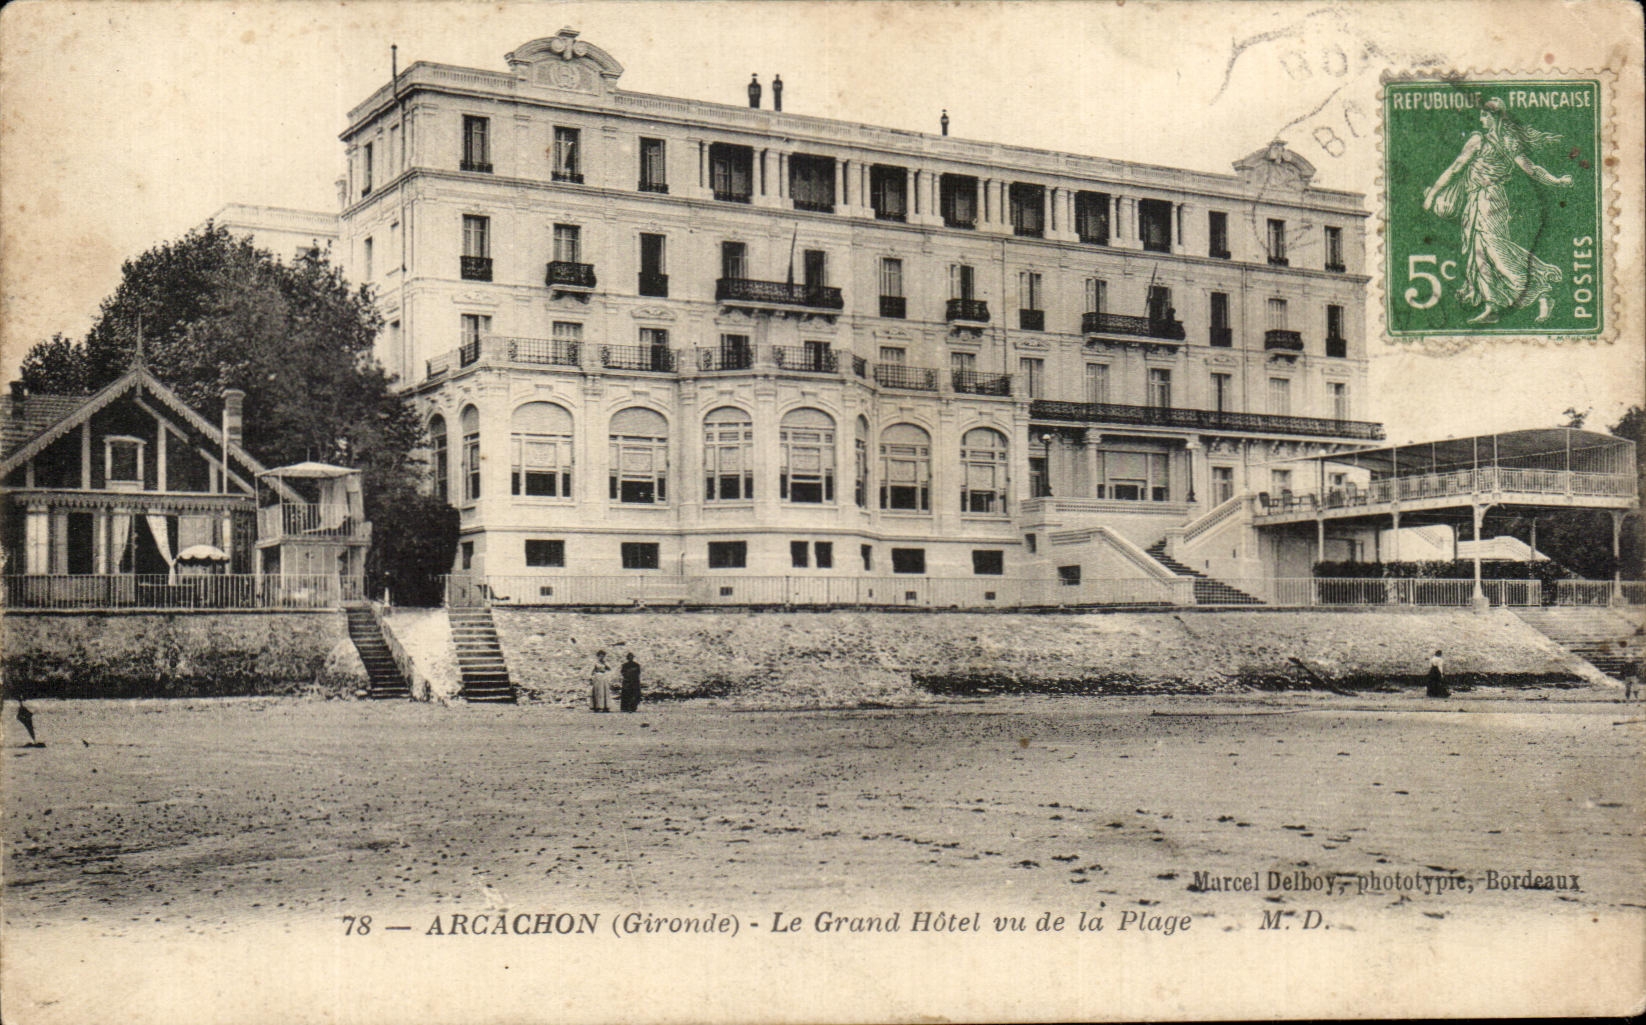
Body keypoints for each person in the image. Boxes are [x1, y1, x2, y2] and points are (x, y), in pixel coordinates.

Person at [1422, 96, 1573, 324]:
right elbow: (1455, 168)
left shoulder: (1499, 142)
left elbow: (1530, 168)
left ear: (1495, 117)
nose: (1481, 119)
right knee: (1478, 252)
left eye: (1485, 115)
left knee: (1495, 251)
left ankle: (1542, 291)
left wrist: (1556, 181)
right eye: (1481, 114)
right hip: (1475, 200)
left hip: (1491, 200)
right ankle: (1491, 306)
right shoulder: (1485, 140)